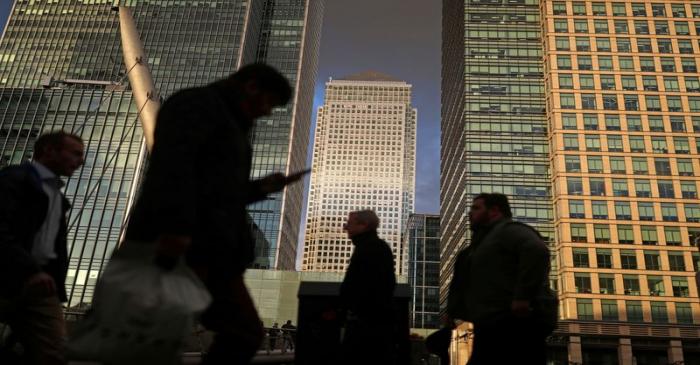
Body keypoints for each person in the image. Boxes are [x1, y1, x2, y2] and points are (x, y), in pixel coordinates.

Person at [124, 63, 305, 364]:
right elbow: (173, 167)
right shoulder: (197, 105)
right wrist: (177, 229)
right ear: (251, 87)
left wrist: (262, 187)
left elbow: (220, 192)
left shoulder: (232, 125)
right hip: (185, 244)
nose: (268, 112)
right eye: (269, 103)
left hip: (209, 248)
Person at [0, 131, 85, 365]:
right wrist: (29, 270)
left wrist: (55, 288)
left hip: (41, 286)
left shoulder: (56, 195)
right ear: (49, 151)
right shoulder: (14, 179)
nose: (81, 161)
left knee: (55, 353)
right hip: (11, 276)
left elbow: (49, 248)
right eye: (75, 153)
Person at [447, 193, 553, 365]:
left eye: (476, 208)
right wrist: (454, 312)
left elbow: (536, 250)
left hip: (514, 326)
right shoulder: (482, 243)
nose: (470, 213)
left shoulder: (508, 231)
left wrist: (522, 297)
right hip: (490, 324)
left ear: (494, 211)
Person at [339, 210, 397, 365]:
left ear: (364, 225)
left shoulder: (370, 248)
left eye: (349, 224)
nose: (345, 227)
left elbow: (365, 289)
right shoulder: (371, 247)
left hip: (365, 330)